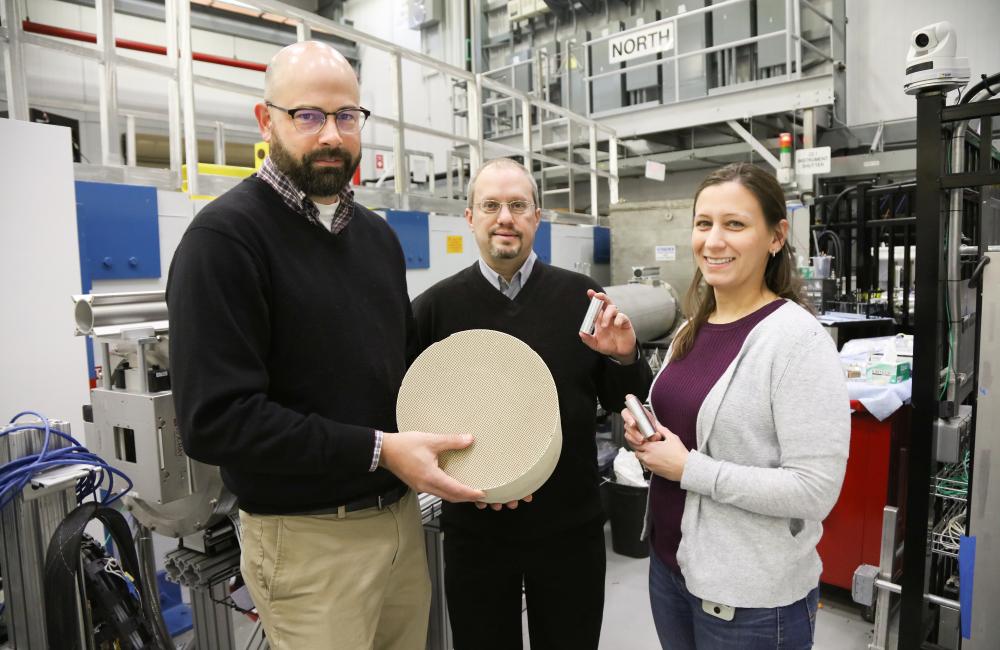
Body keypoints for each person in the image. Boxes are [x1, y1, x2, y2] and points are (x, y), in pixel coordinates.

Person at [166, 41, 484, 650]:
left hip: (398, 523)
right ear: (267, 122)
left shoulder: (377, 239)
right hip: (308, 544)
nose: (331, 135)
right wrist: (379, 450)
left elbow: (394, 377)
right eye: (307, 116)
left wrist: (476, 450)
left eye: (346, 116)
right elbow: (215, 422)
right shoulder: (224, 240)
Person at [411, 157, 653, 650]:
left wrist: (626, 356)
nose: (505, 217)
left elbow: (623, 397)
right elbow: (410, 416)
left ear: (537, 218)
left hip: (569, 524)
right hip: (476, 528)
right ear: (471, 217)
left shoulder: (580, 298)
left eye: (518, 206)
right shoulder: (435, 308)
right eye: (492, 205)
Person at [622, 162, 850, 650]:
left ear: (775, 236)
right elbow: (691, 431)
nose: (713, 240)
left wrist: (688, 469)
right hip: (671, 568)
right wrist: (651, 440)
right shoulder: (694, 327)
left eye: (735, 224)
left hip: (749, 600)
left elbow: (814, 491)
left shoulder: (798, 341)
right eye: (704, 224)